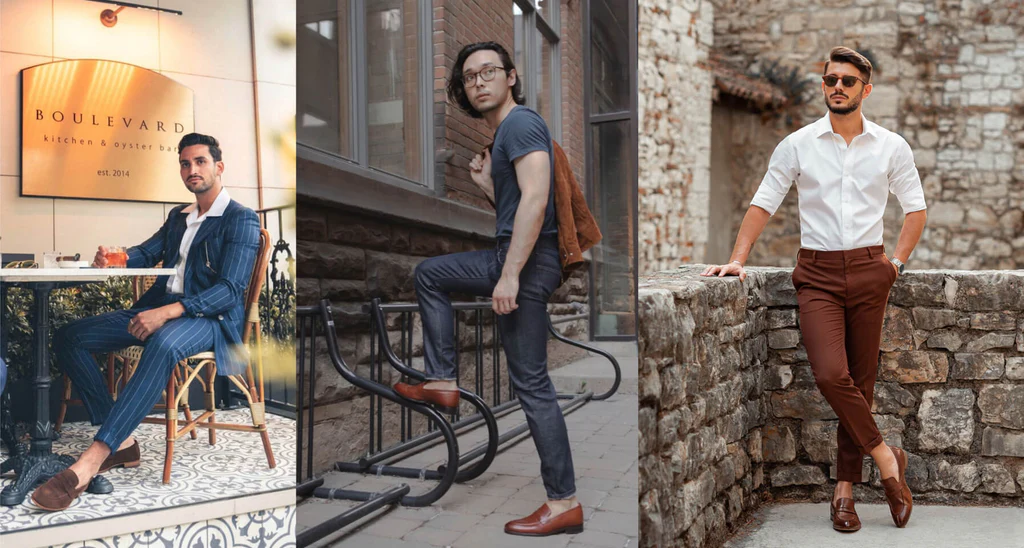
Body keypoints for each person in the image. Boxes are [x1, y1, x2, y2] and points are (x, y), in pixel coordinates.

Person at [703, 46, 925, 532]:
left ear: (866, 89)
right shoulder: (798, 144)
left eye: (847, 81)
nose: (838, 87)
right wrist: (737, 258)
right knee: (830, 373)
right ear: (823, 86)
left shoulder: (891, 146)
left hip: (871, 271)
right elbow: (764, 202)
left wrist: (896, 265)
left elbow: (916, 209)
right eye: (830, 80)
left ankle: (843, 491)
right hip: (818, 275)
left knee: (860, 385)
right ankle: (888, 461)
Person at [391, 42, 583, 537]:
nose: (478, 82)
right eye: (470, 76)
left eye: (488, 72)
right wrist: (487, 187)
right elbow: (520, 199)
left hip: (523, 260)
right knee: (531, 384)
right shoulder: (507, 135)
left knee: (533, 386)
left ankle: (563, 502)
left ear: (512, 76)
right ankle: (444, 381)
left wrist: (510, 273)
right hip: (522, 257)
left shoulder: (520, 124)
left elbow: (538, 199)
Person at [31, 133, 260, 512]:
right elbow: (146, 252)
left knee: (164, 342)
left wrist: (168, 312)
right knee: (69, 336)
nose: (192, 170)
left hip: (209, 319)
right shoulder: (178, 217)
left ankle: (89, 463)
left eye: (200, 162)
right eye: (185, 164)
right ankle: (121, 442)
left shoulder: (240, 219)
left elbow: (230, 291)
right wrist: (116, 256)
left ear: (219, 167)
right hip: (161, 307)